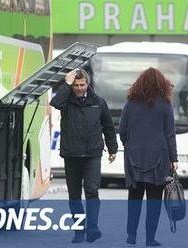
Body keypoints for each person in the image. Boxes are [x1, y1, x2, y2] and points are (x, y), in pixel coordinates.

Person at [50, 69, 118, 243]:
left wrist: (112, 148)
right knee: (74, 195)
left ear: (88, 84)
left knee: (92, 191)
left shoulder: (98, 102)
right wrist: (66, 83)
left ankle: (92, 229)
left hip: (92, 155)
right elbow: (55, 102)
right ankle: (79, 230)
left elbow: (108, 127)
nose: (79, 88)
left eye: (82, 85)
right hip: (71, 155)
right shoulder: (66, 101)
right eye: (76, 85)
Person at [119, 67, 178, 247]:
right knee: (154, 201)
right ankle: (150, 239)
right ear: (162, 84)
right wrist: (173, 159)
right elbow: (170, 134)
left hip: (134, 158)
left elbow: (122, 131)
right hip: (159, 159)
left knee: (134, 199)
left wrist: (130, 144)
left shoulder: (130, 104)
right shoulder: (165, 105)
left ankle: (131, 235)